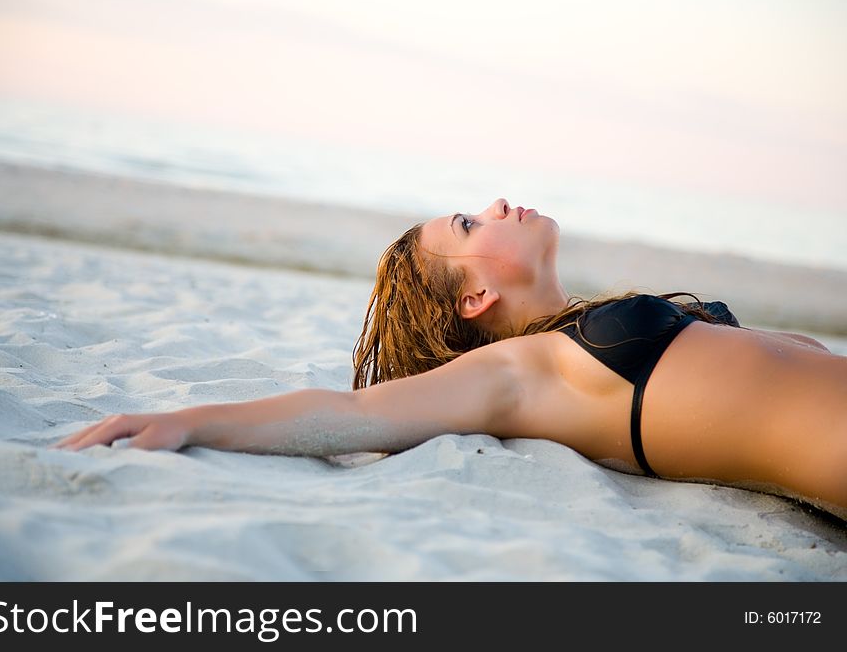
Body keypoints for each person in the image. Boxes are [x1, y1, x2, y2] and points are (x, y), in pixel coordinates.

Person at [52, 198, 847, 520]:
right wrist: (191, 420)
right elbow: (355, 412)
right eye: (470, 223)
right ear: (472, 301)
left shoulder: (574, 340)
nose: (498, 205)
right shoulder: (531, 370)